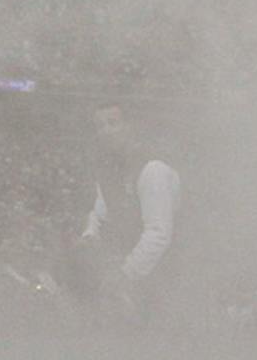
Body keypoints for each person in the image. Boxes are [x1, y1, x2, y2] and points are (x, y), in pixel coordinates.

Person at [73, 102, 181, 324]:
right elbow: (99, 212)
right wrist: (89, 236)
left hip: (170, 271)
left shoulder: (153, 169)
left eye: (113, 123)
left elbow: (158, 234)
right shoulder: (109, 168)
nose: (105, 131)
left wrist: (124, 274)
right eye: (100, 126)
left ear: (130, 126)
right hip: (134, 271)